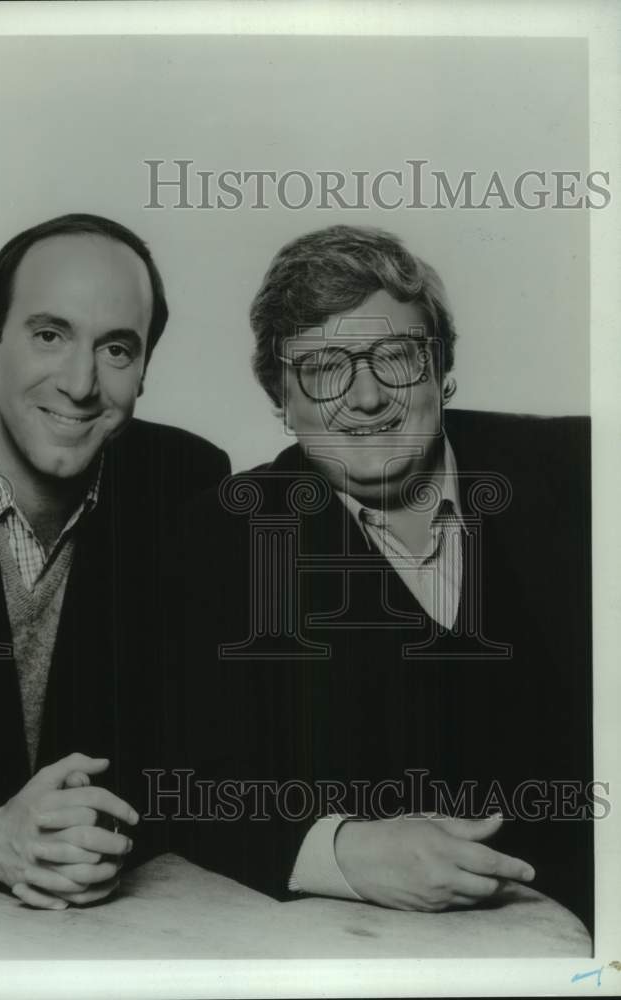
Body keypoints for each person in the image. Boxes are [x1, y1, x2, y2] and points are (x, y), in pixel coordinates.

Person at [169, 225, 593, 931]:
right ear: (282, 398)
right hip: (388, 947)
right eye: (324, 368)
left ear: (441, 369)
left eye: (396, 356)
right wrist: (342, 849)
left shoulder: (585, 471)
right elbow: (179, 778)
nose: (365, 399)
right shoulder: (220, 539)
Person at [0, 213, 230, 909]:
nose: (80, 383)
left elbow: (204, 749)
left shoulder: (186, 481)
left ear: (144, 368)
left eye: (116, 350)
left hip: (111, 933)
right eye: (49, 335)